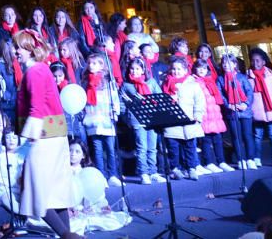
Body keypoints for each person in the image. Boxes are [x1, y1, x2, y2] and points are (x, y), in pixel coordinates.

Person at [13, 29, 80, 239]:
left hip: (43, 138)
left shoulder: (35, 71)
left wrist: (26, 145)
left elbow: (37, 107)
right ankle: (66, 235)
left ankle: (66, 235)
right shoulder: (37, 70)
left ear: (30, 49)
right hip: (49, 135)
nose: (15, 52)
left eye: (18, 48)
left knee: (38, 193)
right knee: (55, 193)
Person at [121, 56, 164, 184]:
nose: (134, 71)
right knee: (142, 147)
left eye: (137, 69)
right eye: (132, 68)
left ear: (143, 70)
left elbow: (159, 97)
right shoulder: (127, 85)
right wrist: (127, 117)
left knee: (152, 147)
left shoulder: (151, 83)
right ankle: (143, 172)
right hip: (136, 119)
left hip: (152, 118)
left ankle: (153, 171)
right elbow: (122, 103)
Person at [162, 56, 206, 180]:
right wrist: (170, 101)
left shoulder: (193, 84)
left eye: (179, 69)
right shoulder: (166, 84)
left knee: (190, 147)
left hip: (189, 122)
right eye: (174, 69)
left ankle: (191, 168)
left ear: (186, 70)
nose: (176, 72)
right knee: (173, 148)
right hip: (172, 123)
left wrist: (197, 116)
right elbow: (161, 102)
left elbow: (199, 101)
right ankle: (175, 168)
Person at [81, 51, 120, 185]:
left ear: (102, 65)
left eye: (95, 63)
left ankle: (113, 174)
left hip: (106, 118)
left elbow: (114, 97)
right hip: (93, 118)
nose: (92, 66)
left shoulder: (108, 81)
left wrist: (116, 112)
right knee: (97, 149)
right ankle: (101, 176)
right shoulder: (86, 81)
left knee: (110, 148)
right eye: (90, 63)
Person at [249, 48, 272, 167]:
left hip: (271, 112)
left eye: (258, 60)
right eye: (253, 61)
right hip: (257, 113)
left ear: (264, 62)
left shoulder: (271, 76)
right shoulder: (248, 77)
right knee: (257, 136)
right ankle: (257, 158)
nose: (255, 63)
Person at [218, 53, 257, 169]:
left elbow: (249, 92)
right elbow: (221, 95)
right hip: (232, 111)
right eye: (224, 63)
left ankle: (251, 158)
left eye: (229, 62)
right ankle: (241, 159)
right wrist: (229, 105)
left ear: (235, 64)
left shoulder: (241, 77)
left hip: (245, 111)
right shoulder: (220, 79)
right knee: (236, 136)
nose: (226, 65)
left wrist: (245, 104)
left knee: (248, 135)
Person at [193, 58, 229, 173]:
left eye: (204, 68)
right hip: (205, 115)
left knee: (218, 139)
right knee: (206, 141)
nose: (202, 70)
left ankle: (221, 161)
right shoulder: (195, 82)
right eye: (199, 68)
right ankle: (209, 162)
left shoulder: (210, 80)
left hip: (215, 115)